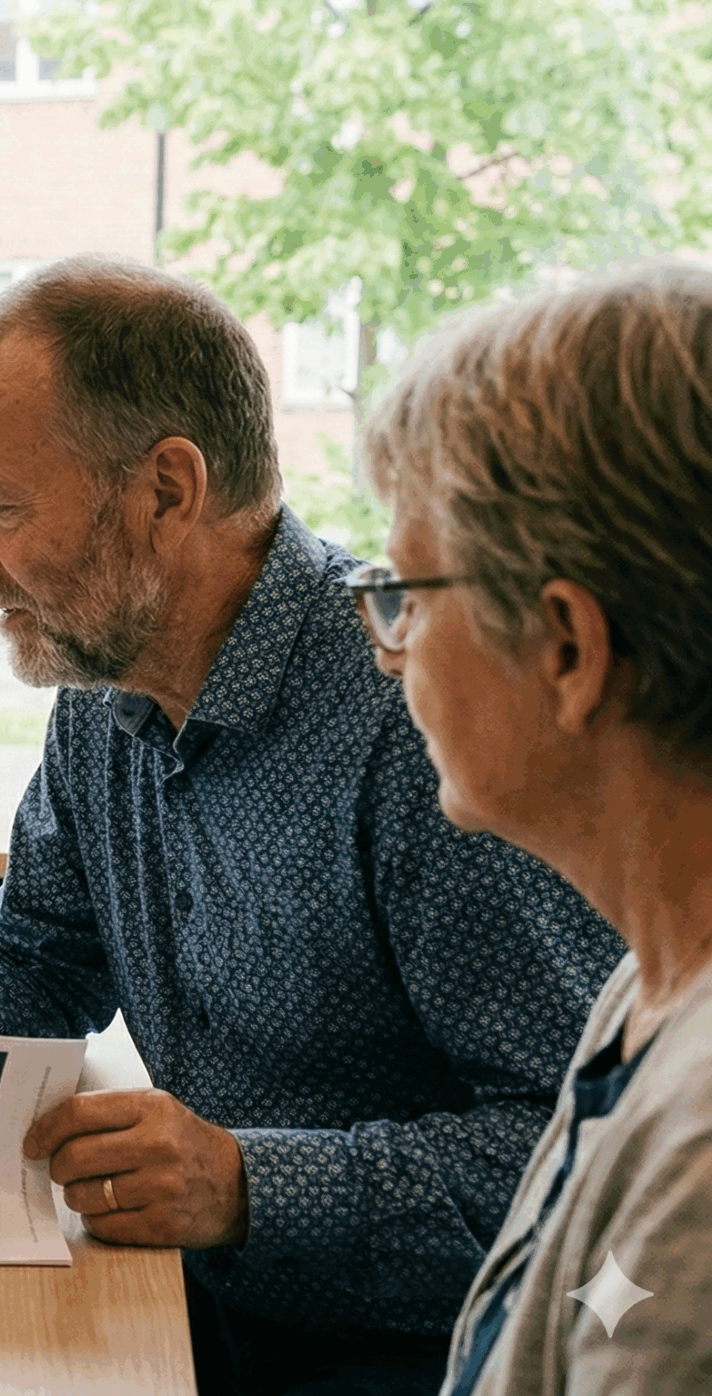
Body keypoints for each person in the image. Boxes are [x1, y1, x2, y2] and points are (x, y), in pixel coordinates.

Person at [0, 256, 624, 1396]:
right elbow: (36, 946)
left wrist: (247, 1185)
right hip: (175, 1308)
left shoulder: (423, 721)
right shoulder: (102, 686)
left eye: (0, 504)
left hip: (405, 1360)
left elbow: (573, 1158)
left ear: (167, 490)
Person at [354, 266, 712, 1394]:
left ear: (567, 648)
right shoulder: (647, 987)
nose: (389, 646)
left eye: (407, 592)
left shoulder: (702, 1157)